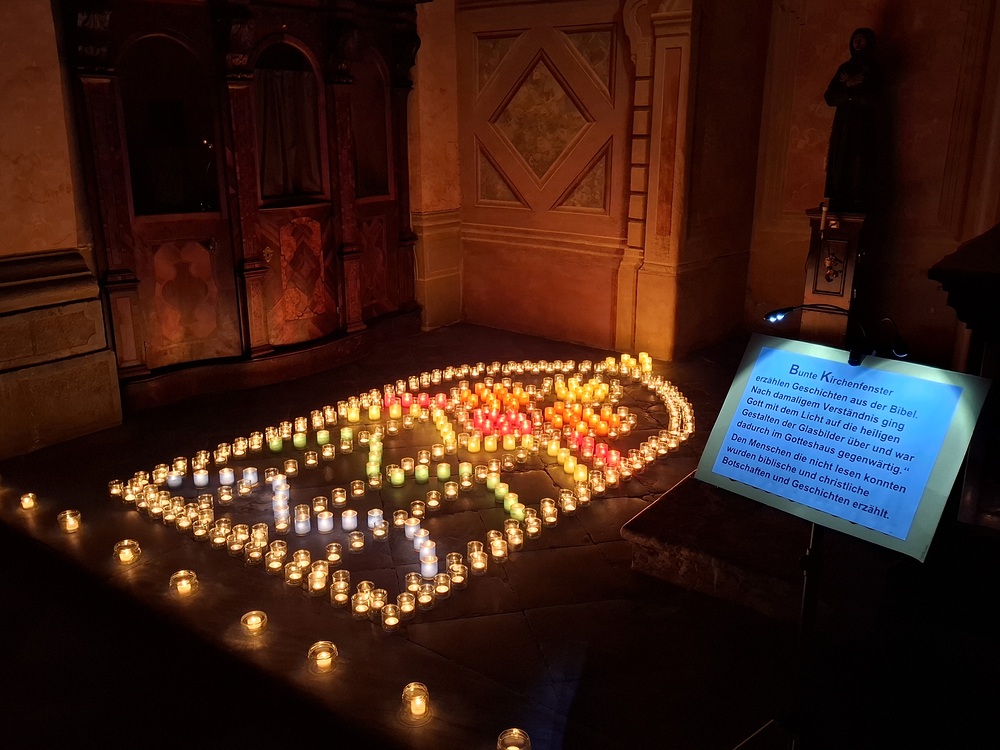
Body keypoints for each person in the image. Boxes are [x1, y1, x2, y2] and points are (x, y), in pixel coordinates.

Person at [823, 27, 881, 212]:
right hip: (844, 122)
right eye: (855, 39)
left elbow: (875, 97)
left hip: (864, 123)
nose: (857, 43)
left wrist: (851, 93)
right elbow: (830, 98)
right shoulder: (845, 68)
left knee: (860, 158)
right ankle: (839, 195)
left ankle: (858, 197)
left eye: (862, 39)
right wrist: (848, 86)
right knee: (841, 157)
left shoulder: (874, 69)